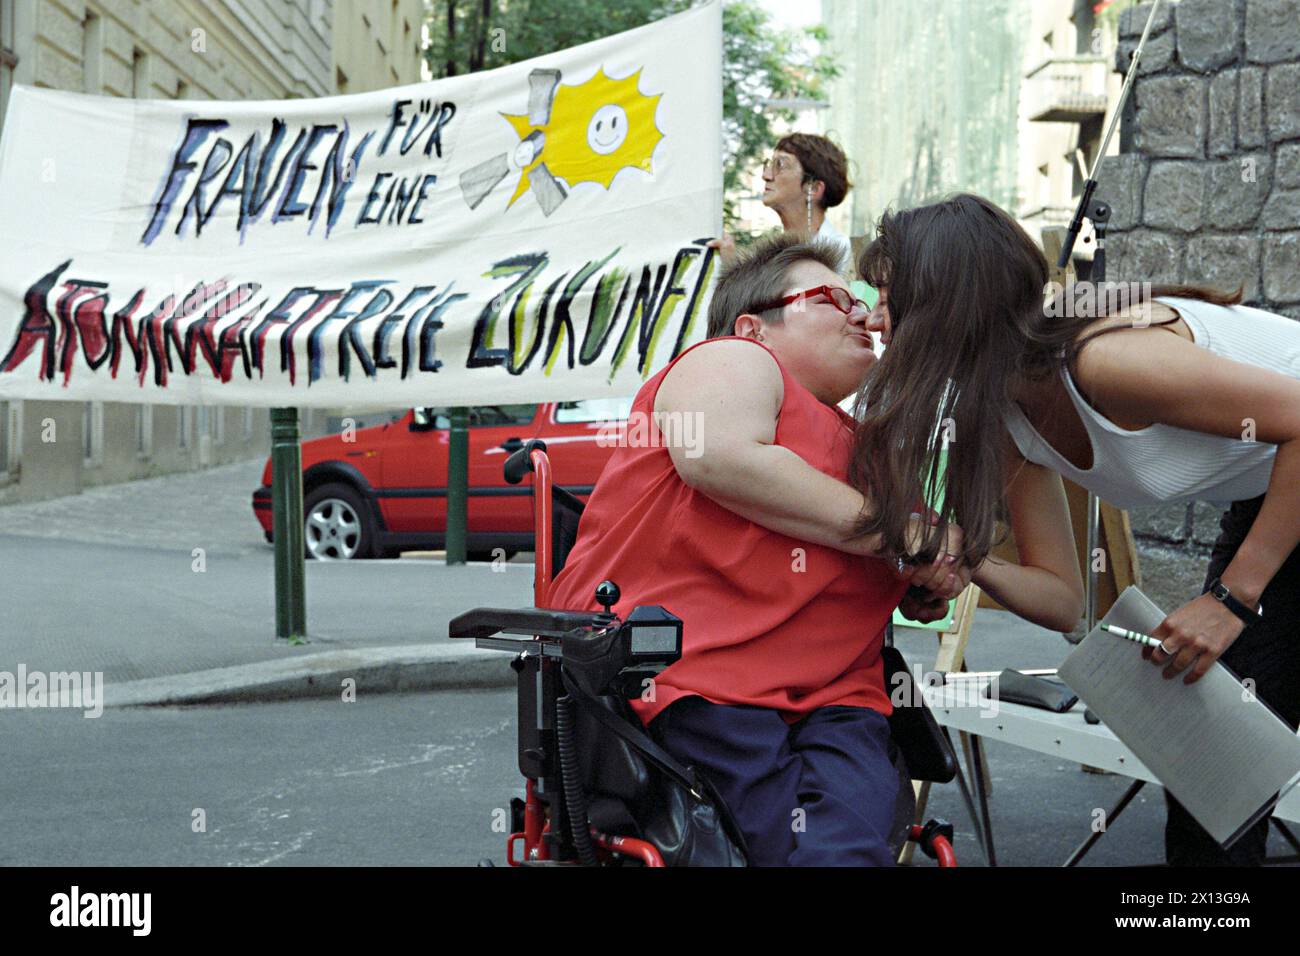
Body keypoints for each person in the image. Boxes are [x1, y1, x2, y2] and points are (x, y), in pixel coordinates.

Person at [848, 192, 1300, 866]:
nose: (872, 314)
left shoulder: (1106, 361)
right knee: (1208, 760)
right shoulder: (1007, 409)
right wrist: (966, 561)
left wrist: (1232, 600)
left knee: (1217, 756)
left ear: (944, 304)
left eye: (887, 293)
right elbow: (1062, 597)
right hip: (1274, 494)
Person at [546, 232, 967, 866]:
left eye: (860, 300)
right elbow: (720, 456)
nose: (862, 312)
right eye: (833, 297)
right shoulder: (731, 361)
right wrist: (904, 537)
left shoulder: (867, 446)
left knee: (848, 848)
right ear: (756, 326)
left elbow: (932, 545)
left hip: (841, 703)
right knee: (775, 846)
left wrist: (930, 567)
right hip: (700, 685)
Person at [709, 133, 854, 275]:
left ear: (813, 188)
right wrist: (729, 263)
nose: (766, 175)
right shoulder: (769, 258)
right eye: (770, 164)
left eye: (781, 165)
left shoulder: (843, 255)